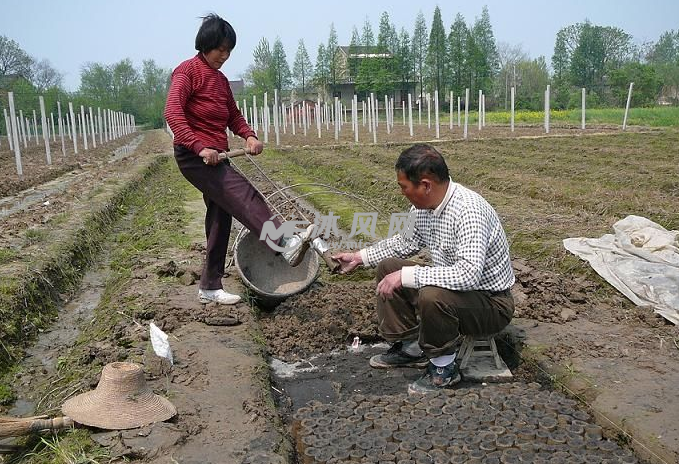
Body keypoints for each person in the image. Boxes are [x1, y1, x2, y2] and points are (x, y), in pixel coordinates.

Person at [333, 144, 515, 394]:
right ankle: (411, 348)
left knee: (431, 294)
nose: (402, 193)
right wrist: (359, 257)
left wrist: (407, 276)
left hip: (490, 303)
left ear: (425, 185)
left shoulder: (468, 211)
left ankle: (444, 369)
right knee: (390, 268)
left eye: (404, 187)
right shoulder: (423, 210)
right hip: (459, 293)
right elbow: (405, 243)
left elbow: (467, 274)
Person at [164, 14, 313, 306]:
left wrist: (249, 135)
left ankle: (209, 286)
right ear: (205, 44)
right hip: (195, 157)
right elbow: (173, 114)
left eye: (229, 50)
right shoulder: (187, 72)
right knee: (243, 193)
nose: (225, 55)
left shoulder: (220, 80)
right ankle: (283, 241)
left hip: (216, 157)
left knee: (221, 217)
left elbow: (232, 115)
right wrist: (198, 146)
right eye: (221, 49)